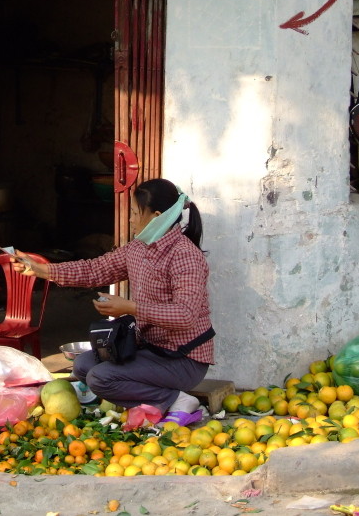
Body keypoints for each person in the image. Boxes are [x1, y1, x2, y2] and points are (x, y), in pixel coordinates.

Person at [14, 178, 214, 425]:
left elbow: (185, 315)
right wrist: (42, 270)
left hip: (183, 359)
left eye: (134, 213)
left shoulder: (185, 256)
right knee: (83, 366)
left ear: (156, 216)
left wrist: (129, 308)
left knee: (101, 379)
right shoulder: (138, 249)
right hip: (150, 351)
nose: (130, 219)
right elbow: (94, 270)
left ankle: (176, 400)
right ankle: (156, 400)